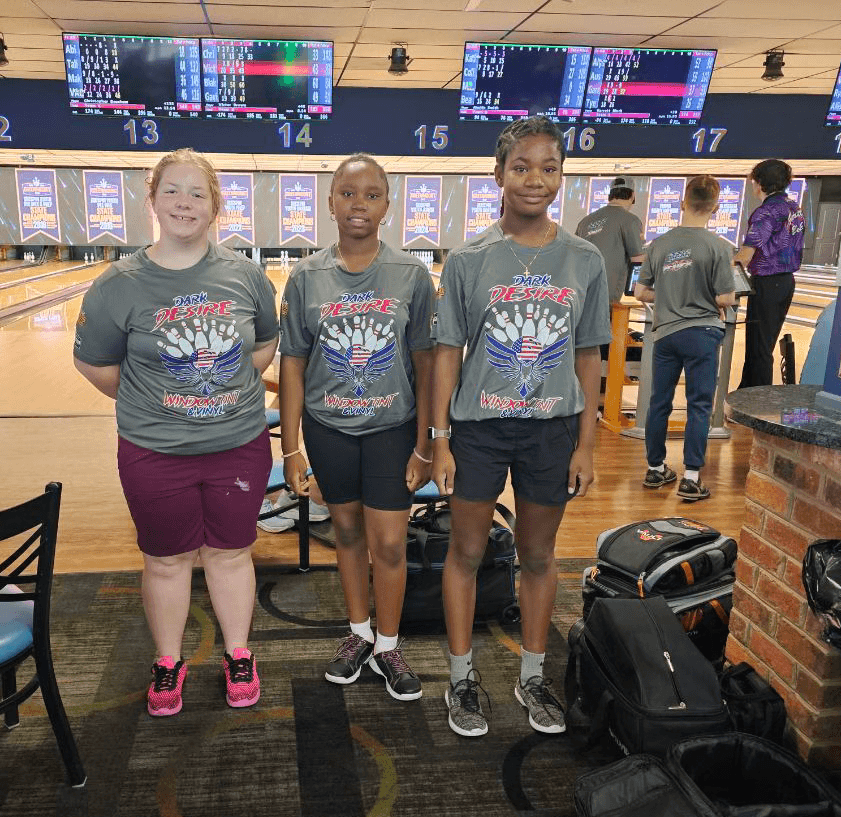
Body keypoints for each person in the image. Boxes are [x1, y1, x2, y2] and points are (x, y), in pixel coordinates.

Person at [73, 149, 279, 717]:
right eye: (171, 190)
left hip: (238, 445)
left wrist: (217, 393)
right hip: (153, 451)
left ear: (215, 205)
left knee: (231, 553)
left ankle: (238, 654)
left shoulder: (246, 276)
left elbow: (263, 345)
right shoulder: (119, 284)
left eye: (196, 192)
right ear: (153, 200)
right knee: (166, 560)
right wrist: (155, 402)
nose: (184, 203)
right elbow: (93, 363)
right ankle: (168, 661)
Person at [431, 117, 609, 737]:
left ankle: (532, 675)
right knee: (466, 551)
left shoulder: (584, 259)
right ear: (499, 175)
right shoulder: (469, 259)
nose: (536, 179)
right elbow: (447, 353)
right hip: (478, 429)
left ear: (562, 176)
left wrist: (587, 443)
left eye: (549, 168)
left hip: (550, 431)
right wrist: (440, 440)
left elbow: (590, 354)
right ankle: (461, 678)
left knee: (537, 554)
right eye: (522, 167)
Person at [278, 153, 435, 701]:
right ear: (330, 203)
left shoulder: (412, 274)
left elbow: (426, 364)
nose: (359, 204)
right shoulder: (307, 276)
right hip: (328, 428)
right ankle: (358, 633)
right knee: (345, 532)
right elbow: (293, 364)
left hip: (393, 428)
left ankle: (388, 644)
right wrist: (291, 448)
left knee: (388, 542)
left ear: (387, 204)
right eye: (347, 194)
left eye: (371, 194)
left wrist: (426, 444)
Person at [634, 176, 737, 502]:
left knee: (659, 403)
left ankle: (655, 469)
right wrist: (701, 296)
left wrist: (670, 295)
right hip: (702, 334)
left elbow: (641, 292)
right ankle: (691, 479)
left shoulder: (659, 244)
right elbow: (727, 297)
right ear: (715, 208)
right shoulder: (719, 247)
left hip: (666, 335)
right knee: (699, 406)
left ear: (682, 203)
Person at [734, 159, 804, 389]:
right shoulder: (794, 208)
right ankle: (746, 392)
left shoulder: (766, 212)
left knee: (759, 348)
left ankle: (757, 399)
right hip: (785, 282)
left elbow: (745, 255)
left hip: (767, 283)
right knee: (762, 345)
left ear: (760, 183)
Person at [575, 177, 646, 305]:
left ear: (610, 195)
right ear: (632, 195)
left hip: (579, 292)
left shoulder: (585, 222)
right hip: (607, 297)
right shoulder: (630, 221)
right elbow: (638, 260)